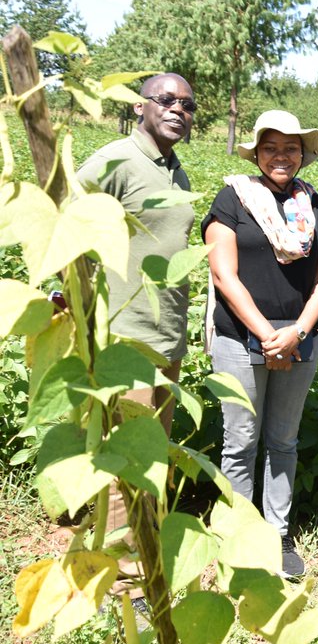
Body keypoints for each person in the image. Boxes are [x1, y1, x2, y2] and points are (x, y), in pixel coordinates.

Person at [203, 110, 318, 578]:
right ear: (257, 153)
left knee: (283, 441)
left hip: (299, 340)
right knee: (239, 440)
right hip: (242, 339)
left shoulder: (317, 206)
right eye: (271, 147)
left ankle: (278, 535)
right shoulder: (232, 199)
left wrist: (296, 332)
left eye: (290, 148)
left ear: (303, 154)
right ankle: (237, 537)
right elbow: (223, 274)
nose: (281, 156)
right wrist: (267, 335)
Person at [77, 73, 195, 603]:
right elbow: (70, 220)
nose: (177, 110)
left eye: (187, 105)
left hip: (166, 336)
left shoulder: (175, 170)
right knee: (126, 457)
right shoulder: (115, 160)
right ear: (140, 107)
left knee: (154, 454)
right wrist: (76, 304)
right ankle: (126, 582)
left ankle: (143, 554)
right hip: (126, 334)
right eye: (166, 100)